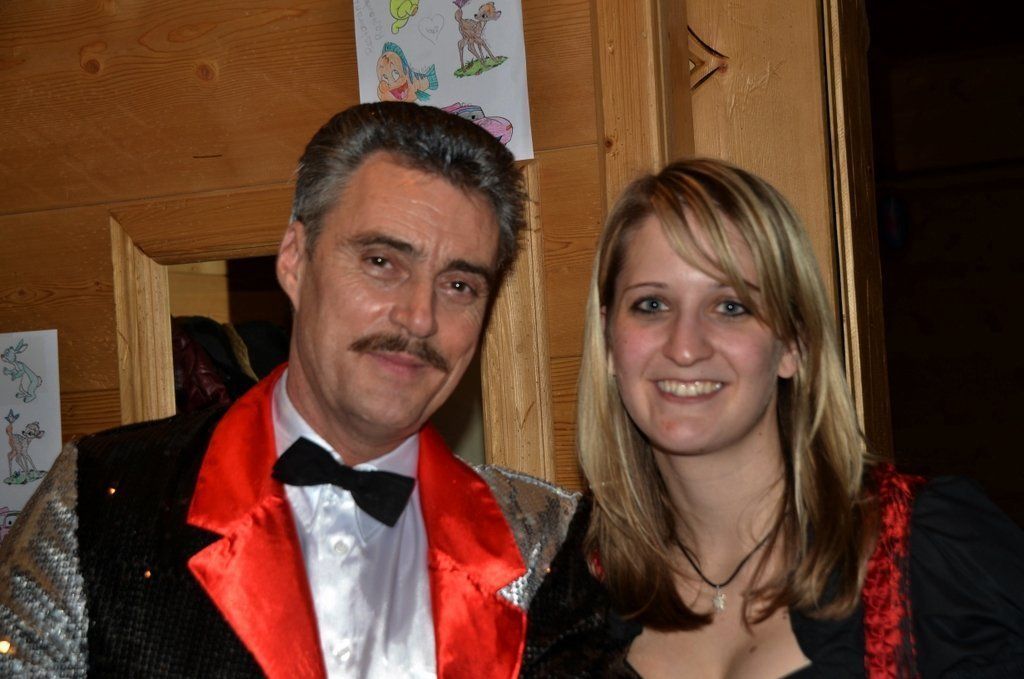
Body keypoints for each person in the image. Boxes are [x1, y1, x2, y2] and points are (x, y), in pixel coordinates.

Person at [0, 102, 578, 678]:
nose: (419, 317)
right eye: (381, 261)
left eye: (458, 285)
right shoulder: (99, 497)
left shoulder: (546, 539)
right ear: (296, 261)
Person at [522, 158, 1024, 677]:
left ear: (793, 344)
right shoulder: (577, 595)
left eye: (730, 306)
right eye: (652, 305)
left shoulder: (927, 550)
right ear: (608, 342)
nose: (685, 346)